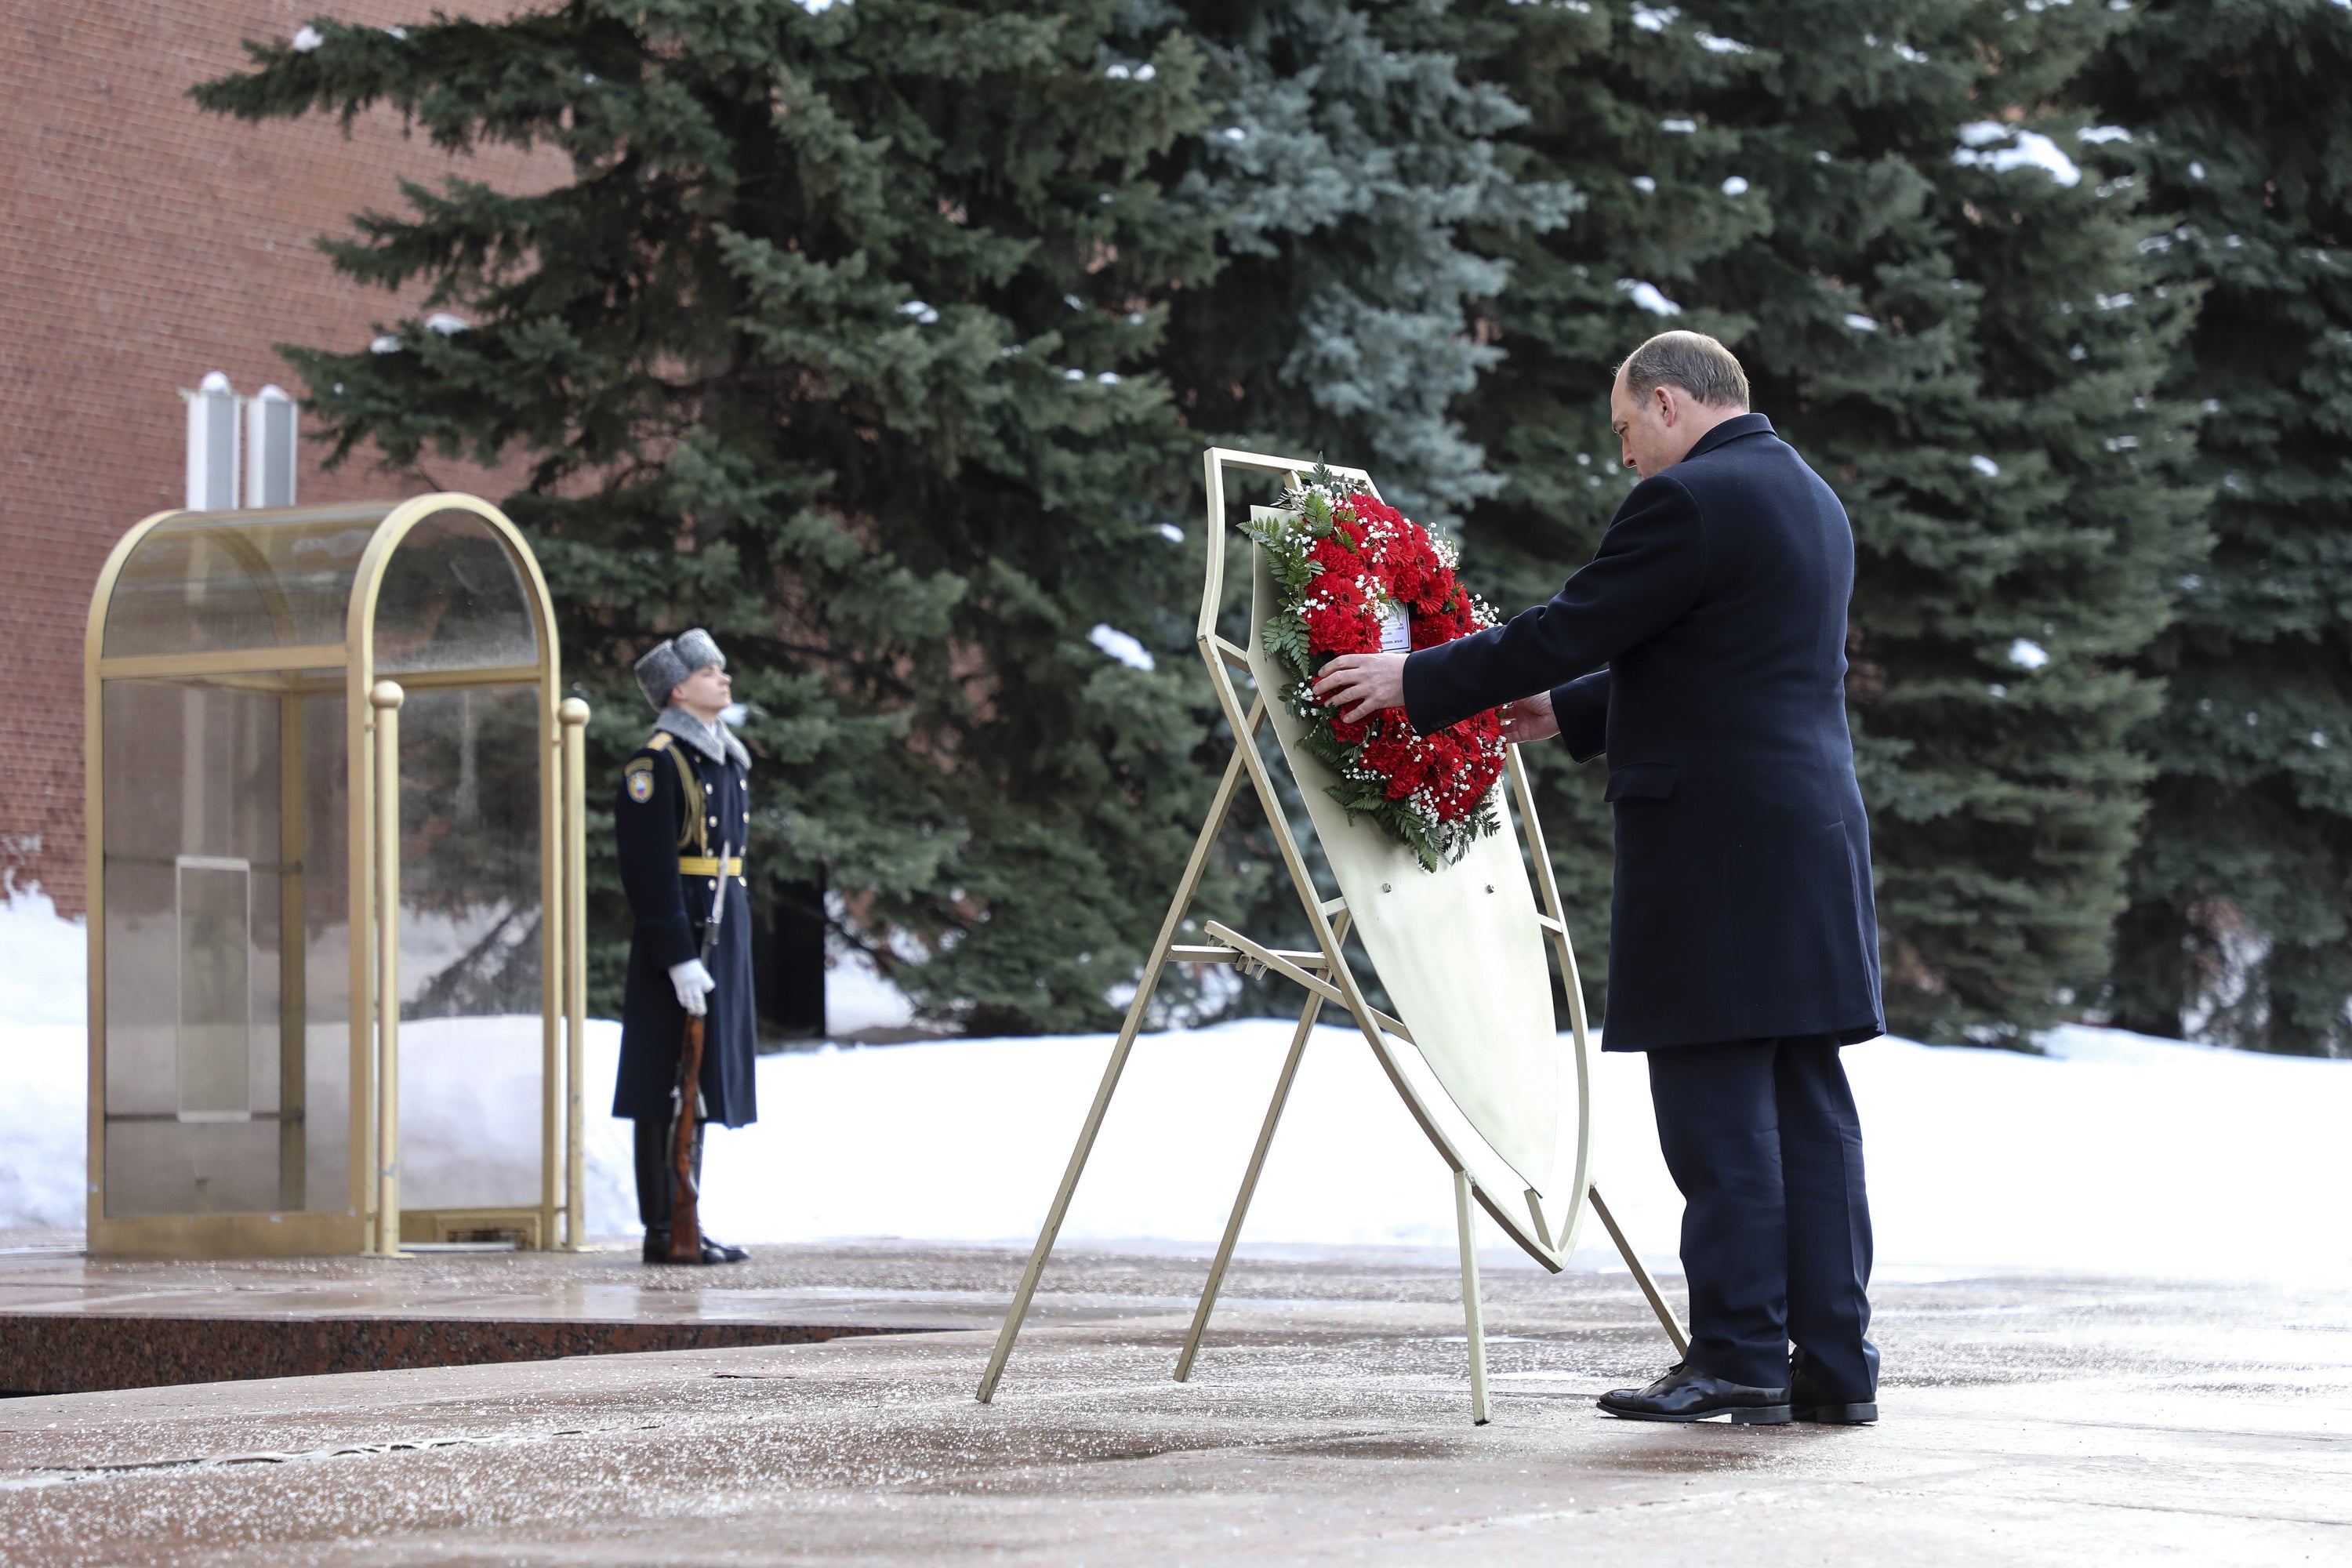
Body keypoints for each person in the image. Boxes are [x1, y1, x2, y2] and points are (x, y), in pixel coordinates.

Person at [1313, 330, 1883, 1426]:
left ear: (1668, 403)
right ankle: (1832, 1363)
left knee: (1717, 1116)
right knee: (1807, 1107)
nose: (1625, 456)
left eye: (1626, 430)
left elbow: (1577, 624)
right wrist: (1572, 711)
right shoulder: (1808, 495)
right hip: (1808, 836)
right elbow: (1727, 662)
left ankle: (1737, 1356)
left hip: (1715, 847)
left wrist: (1415, 677)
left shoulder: (1693, 501)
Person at [615, 628, 757, 1266]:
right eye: (709, 671)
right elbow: (649, 869)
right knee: (668, 1083)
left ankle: (686, 1218)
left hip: (721, 929)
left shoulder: (720, 756)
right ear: (679, 687)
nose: (723, 679)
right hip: (682, 934)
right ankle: (663, 1225)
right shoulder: (659, 762)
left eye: (724, 670)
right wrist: (676, 955)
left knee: (698, 1081)